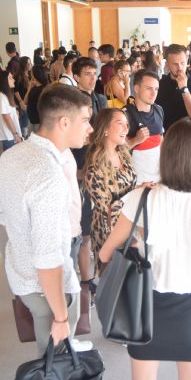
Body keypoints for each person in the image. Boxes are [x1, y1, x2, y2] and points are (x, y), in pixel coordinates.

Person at [99, 117, 191, 380]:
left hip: (145, 310)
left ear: (167, 153)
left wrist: (140, 244)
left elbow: (105, 254)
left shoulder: (142, 198)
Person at [0, 84, 94, 356]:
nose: (90, 129)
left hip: (22, 272)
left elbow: (5, 217)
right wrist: (62, 318)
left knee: (50, 348)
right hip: (46, 287)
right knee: (54, 358)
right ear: (64, 122)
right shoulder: (49, 175)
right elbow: (48, 259)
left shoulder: (12, 155)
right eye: (85, 120)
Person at [84, 108, 137, 273]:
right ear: (105, 128)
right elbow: (109, 209)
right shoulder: (95, 168)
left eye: (126, 125)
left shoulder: (123, 154)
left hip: (129, 226)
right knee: (112, 283)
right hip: (109, 232)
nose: (126, 129)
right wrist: (137, 194)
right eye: (119, 124)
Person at [71, 57, 108, 293]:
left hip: (100, 169)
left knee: (101, 227)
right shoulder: (69, 104)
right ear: (75, 76)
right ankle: (86, 281)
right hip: (78, 171)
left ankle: (102, 272)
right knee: (83, 232)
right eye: (87, 73)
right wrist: (76, 172)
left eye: (94, 73)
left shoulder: (100, 99)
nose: (92, 78)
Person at [124, 69, 164, 184]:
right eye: (149, 88)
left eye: (156, 89)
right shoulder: (124, 114)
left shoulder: (159, 109)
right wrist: (135, 141)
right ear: (136, 88)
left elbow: (161, 139)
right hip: (135, 181)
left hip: (158, 178)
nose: (154, 93)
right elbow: (114, 150)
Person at [155, 44, 191, 131]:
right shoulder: (160, 85)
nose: (180, 68)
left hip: (190, 135)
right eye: (175, 64)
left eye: (182, 63)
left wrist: (184, 89)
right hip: (167, 136)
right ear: (167, 64)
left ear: (187, 61)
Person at [0, 71, 23, 151]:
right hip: (9, 135)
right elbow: (6, 117)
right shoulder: (1, 97)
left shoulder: (4, 95)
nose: (13, 80)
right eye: (10, 78)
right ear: (4, 81)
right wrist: (15, 134)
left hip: (10, 135)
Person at [24, 65, 49, 131]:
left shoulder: (44, 89)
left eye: (32, 73)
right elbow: (25, 102)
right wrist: (29, 88)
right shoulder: (33, 87)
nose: (30, 74)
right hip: (32, 121)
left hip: (39, 122)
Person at [14, 56, 32, 136]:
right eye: (27, 63)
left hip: (28, 100)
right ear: (23, 64)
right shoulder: (18, 76)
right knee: (23, 121)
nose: (29, 65)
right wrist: (20, 101)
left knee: (26, 120)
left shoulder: (30, 74)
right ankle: (22, 136)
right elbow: (16, 90)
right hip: (21, 101)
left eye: (30, 63)